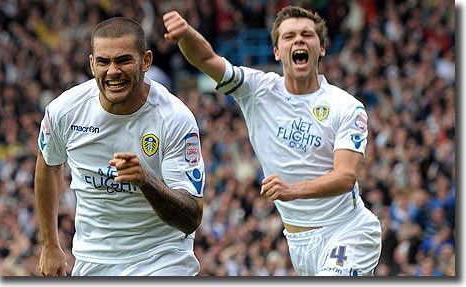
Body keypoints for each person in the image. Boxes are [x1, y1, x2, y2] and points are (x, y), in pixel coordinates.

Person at [163, 5, 381, 276]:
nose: (298, 40)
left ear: (321, 48)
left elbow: (346, 176)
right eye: (289, 36)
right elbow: (207, 59)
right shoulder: (258, 89)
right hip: (299, 242)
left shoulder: (346, 106)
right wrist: (186, 34)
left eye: (307, 35)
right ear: (277, 51)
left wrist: (293, 190)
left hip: (347, 231)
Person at [35, 17, 205, 276]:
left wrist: (146, 181)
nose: (113, 71)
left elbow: (191, 218)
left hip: (161, 258)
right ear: (92, 64)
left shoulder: (173, 118)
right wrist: (50, 244)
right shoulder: (65, 111)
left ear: (146, 61)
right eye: (103, 61)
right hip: (92, 260)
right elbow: (48, 164)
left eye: (123, 60)